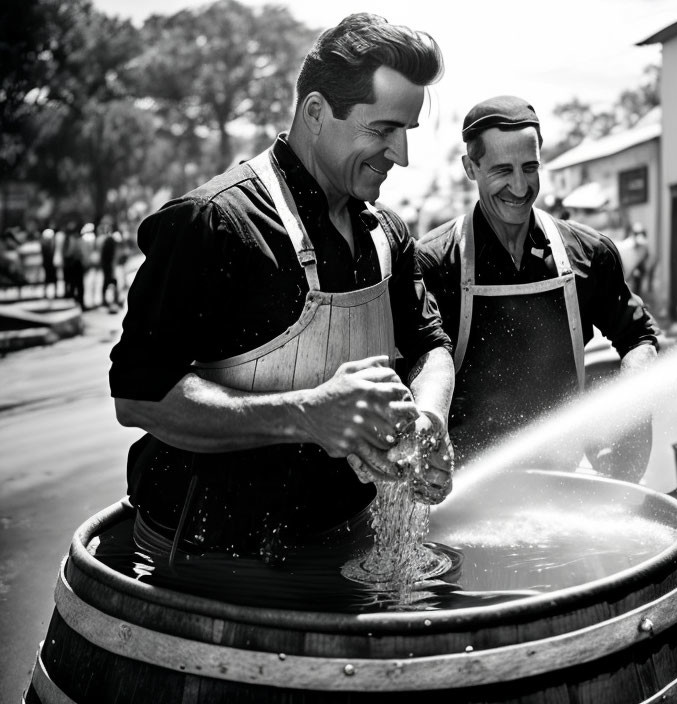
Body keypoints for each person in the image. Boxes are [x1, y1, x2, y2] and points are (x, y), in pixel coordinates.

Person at [109, 14, 455, 590]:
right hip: (208, 562)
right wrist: (306, 412)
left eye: (407, 131)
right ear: (316, 112)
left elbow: (429, 345)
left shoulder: (387, 233)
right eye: (383, 129)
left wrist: (430, 417)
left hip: (348, 544)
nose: (401, 153)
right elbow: (139, 398)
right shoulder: (214, 223)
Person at [416, 96, 659, 481]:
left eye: (530, 168)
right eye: (502, 170)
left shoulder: (589, 254)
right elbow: (413, 373)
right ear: (470, 167)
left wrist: (632, 407)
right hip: (463, 487)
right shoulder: (434, 263)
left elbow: (638, 337)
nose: (519, 186)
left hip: (563, 479)